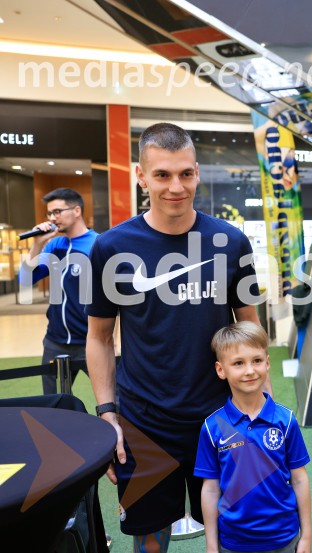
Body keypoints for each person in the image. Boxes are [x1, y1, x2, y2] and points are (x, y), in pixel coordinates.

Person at [86, 122, 263, 553]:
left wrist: (263, 408)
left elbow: (250, 330)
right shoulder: (111, 248)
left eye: (185, 173)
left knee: (237, 536)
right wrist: (108, 413)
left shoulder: (230, 242)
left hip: (222, 416)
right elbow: (100, 337)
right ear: (141, 176)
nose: (176, 187)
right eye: (162, 175)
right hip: (144, 422)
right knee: (150, 540)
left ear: (197, 172)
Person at [195, 322, 311, 553]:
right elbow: (210, 489)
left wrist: (306, 536)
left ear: (267, 363)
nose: (249, 370)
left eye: (256, 360)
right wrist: (211, 545)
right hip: (233, 542)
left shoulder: (286, 420)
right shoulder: (212, 427)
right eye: (238, 363)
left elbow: (299, 479)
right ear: (221, 370)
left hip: (283, 537)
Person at [18, 187, 98, 394]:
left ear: (77, 211)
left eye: (57, 212)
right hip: (55, 341)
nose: (53, 218)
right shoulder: (54, 245)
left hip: (90, 340)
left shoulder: (97, 244)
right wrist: (38, 244)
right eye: (50, 213)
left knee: (111, 398)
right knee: (52, 402)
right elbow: (25, 279)